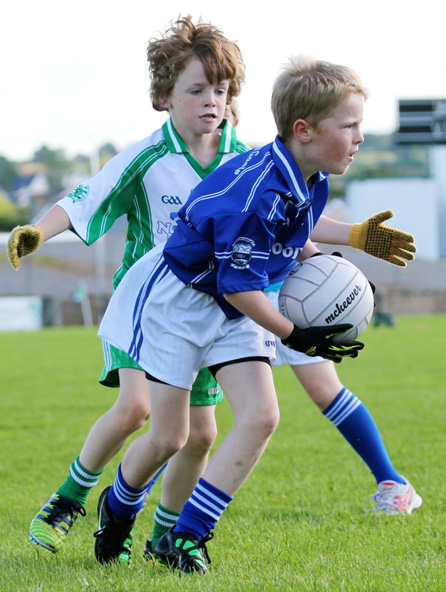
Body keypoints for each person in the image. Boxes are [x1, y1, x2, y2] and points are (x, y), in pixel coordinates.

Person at [95, 54, 371, 575]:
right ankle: (119, 504)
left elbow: (297, 236)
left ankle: (187, 537)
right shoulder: (257, 192)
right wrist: (299, 335)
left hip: (228, 306)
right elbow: (240, 286)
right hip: (178, 304)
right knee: (169, 438)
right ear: (304, 130)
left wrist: (347, 264)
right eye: (351, 125)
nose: (360, 137)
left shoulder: (308, 178)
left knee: (262, 416)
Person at [7, 16, 248, 562]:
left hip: (205, 316)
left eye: (220, 89)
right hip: (139, 310)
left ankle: (165, 537)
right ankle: (68, 500)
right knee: (138, 410)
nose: (211, 100)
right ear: (164, 96)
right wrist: (35, 232)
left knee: (200, 435)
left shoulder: (245, 162)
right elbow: (84, 197)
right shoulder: (147, 157)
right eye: (196, 90)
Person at [225, 103, 421, 514]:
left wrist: (327, 262)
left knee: (322, 387)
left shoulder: (257, 159)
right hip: (223, 293)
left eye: (226, 100)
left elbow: (294, 229)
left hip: (277, 288)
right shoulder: (218, 167)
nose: (216, 109)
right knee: (187, 411)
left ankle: (392, 481)